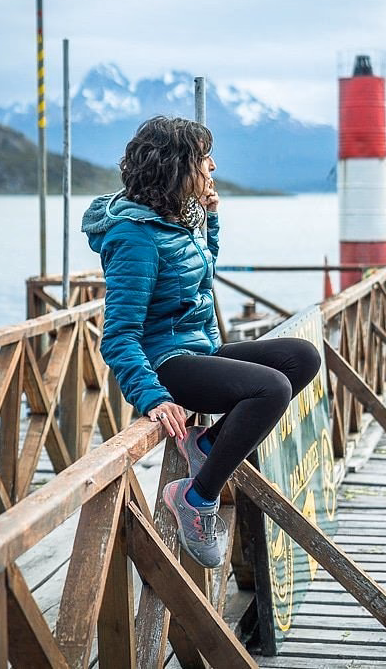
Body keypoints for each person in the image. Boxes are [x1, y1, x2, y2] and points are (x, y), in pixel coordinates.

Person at [81, 116, 321, 568]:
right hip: (167, 362)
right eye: (203, 157)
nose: (212, 166)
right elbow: (119, 335)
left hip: (198, 348)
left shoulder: (176, 218)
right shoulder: (134, 236)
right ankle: (195, 498)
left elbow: (200, 271)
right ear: (176, 166)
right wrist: (152, 397)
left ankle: (208, 446)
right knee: (271, 388)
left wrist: (210, 220)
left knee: (301, 357)